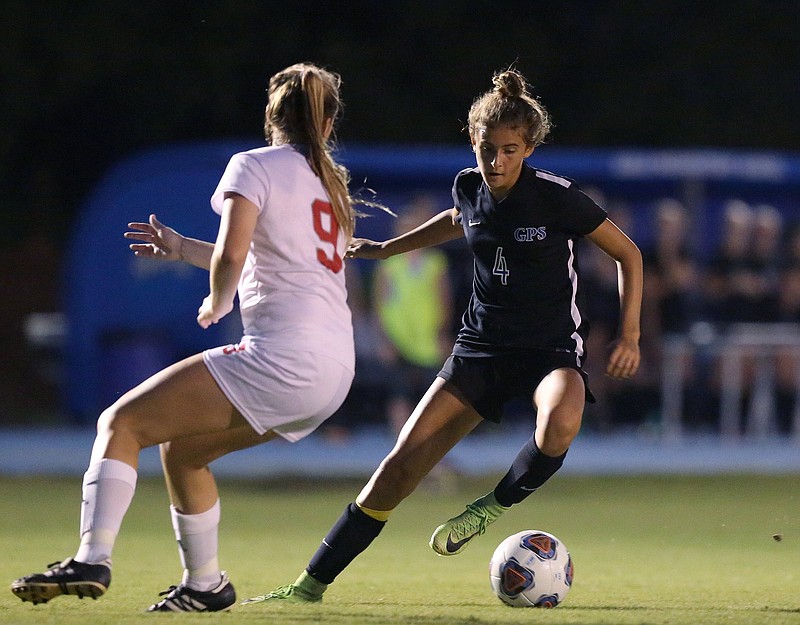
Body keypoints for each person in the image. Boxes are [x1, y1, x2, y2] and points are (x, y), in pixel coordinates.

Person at [246, 67, 642, 605]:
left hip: (550, 348)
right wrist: (388, 249)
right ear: (473, 143)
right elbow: (458, 218)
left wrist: (630, 335)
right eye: (486, 148)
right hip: (481, 347)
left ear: (527, 148)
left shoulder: (557, 197)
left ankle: (489, 508)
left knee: (561, 421)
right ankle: (308, 585)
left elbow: (629, 255)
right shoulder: (469, 186)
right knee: (399, 468)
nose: (496, 161)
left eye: (509, 150)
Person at [10, 62, 358, 612]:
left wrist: (218, 300)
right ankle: (206, 585)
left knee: (120, 423)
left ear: (272, 115)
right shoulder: (330, 186)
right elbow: (266, 263)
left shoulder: (254, 164)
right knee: (184, 454)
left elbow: (235, 254)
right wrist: (182, 249)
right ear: (329, 120)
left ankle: (91, 557)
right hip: (334, 371)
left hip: (284, 360)